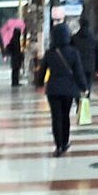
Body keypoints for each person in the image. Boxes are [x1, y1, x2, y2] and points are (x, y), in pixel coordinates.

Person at [39, 22, 87, 156]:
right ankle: (65, 142)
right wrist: (84, 87)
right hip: (69, 89)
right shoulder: (73, 52)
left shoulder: (50, 53)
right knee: (65, 116)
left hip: (53, 90)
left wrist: (38, 83)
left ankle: (58, 145)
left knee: (56, 117)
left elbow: (42, 72)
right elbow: (78, 72)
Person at [70, 17, 98, 95]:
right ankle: (86, 101)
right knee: (88, 85)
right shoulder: (94, 38)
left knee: (78, 84)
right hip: (90, 66)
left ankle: (79, 102)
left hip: (77, 66)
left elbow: (71, 52)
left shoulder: (74, 38)